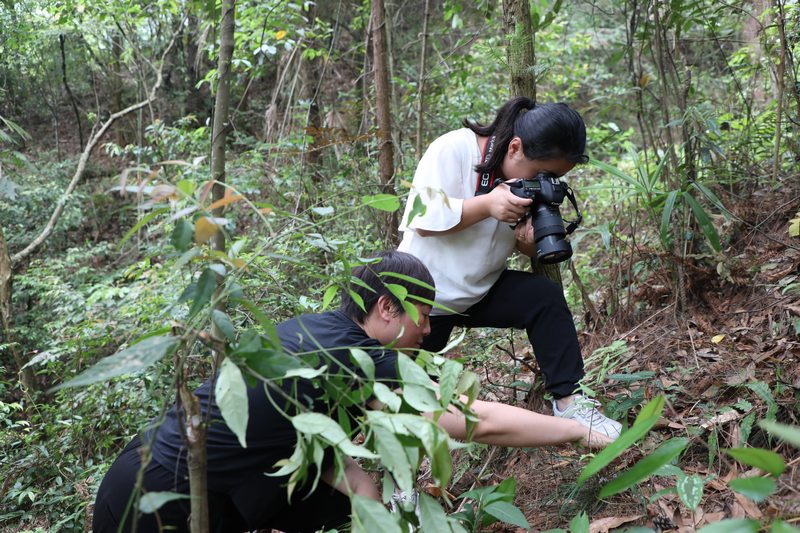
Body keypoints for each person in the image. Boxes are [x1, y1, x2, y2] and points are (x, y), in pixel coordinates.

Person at [92, 251, 611, 533]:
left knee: (339, 506)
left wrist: (373, 502)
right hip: (162, 505)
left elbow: (316, 441)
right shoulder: (355, 358)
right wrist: (578, 430)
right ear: (388, 307)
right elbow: (475, 420)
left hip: (135, 477)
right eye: (423, 317)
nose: (427, 333)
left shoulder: (315, 329)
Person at [398, 96, 622, 439]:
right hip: (425, 298)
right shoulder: (453, 149)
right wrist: (489, 204)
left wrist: (529, 240)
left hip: (480, 289)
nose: (543, 181)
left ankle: (570, 404)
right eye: (541, 173)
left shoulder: (524, 175)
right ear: (515, 147)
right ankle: (402, 485)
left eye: (555, 177)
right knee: (408, 399)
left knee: (543, 297)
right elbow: (423, 219)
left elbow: (518, 245)